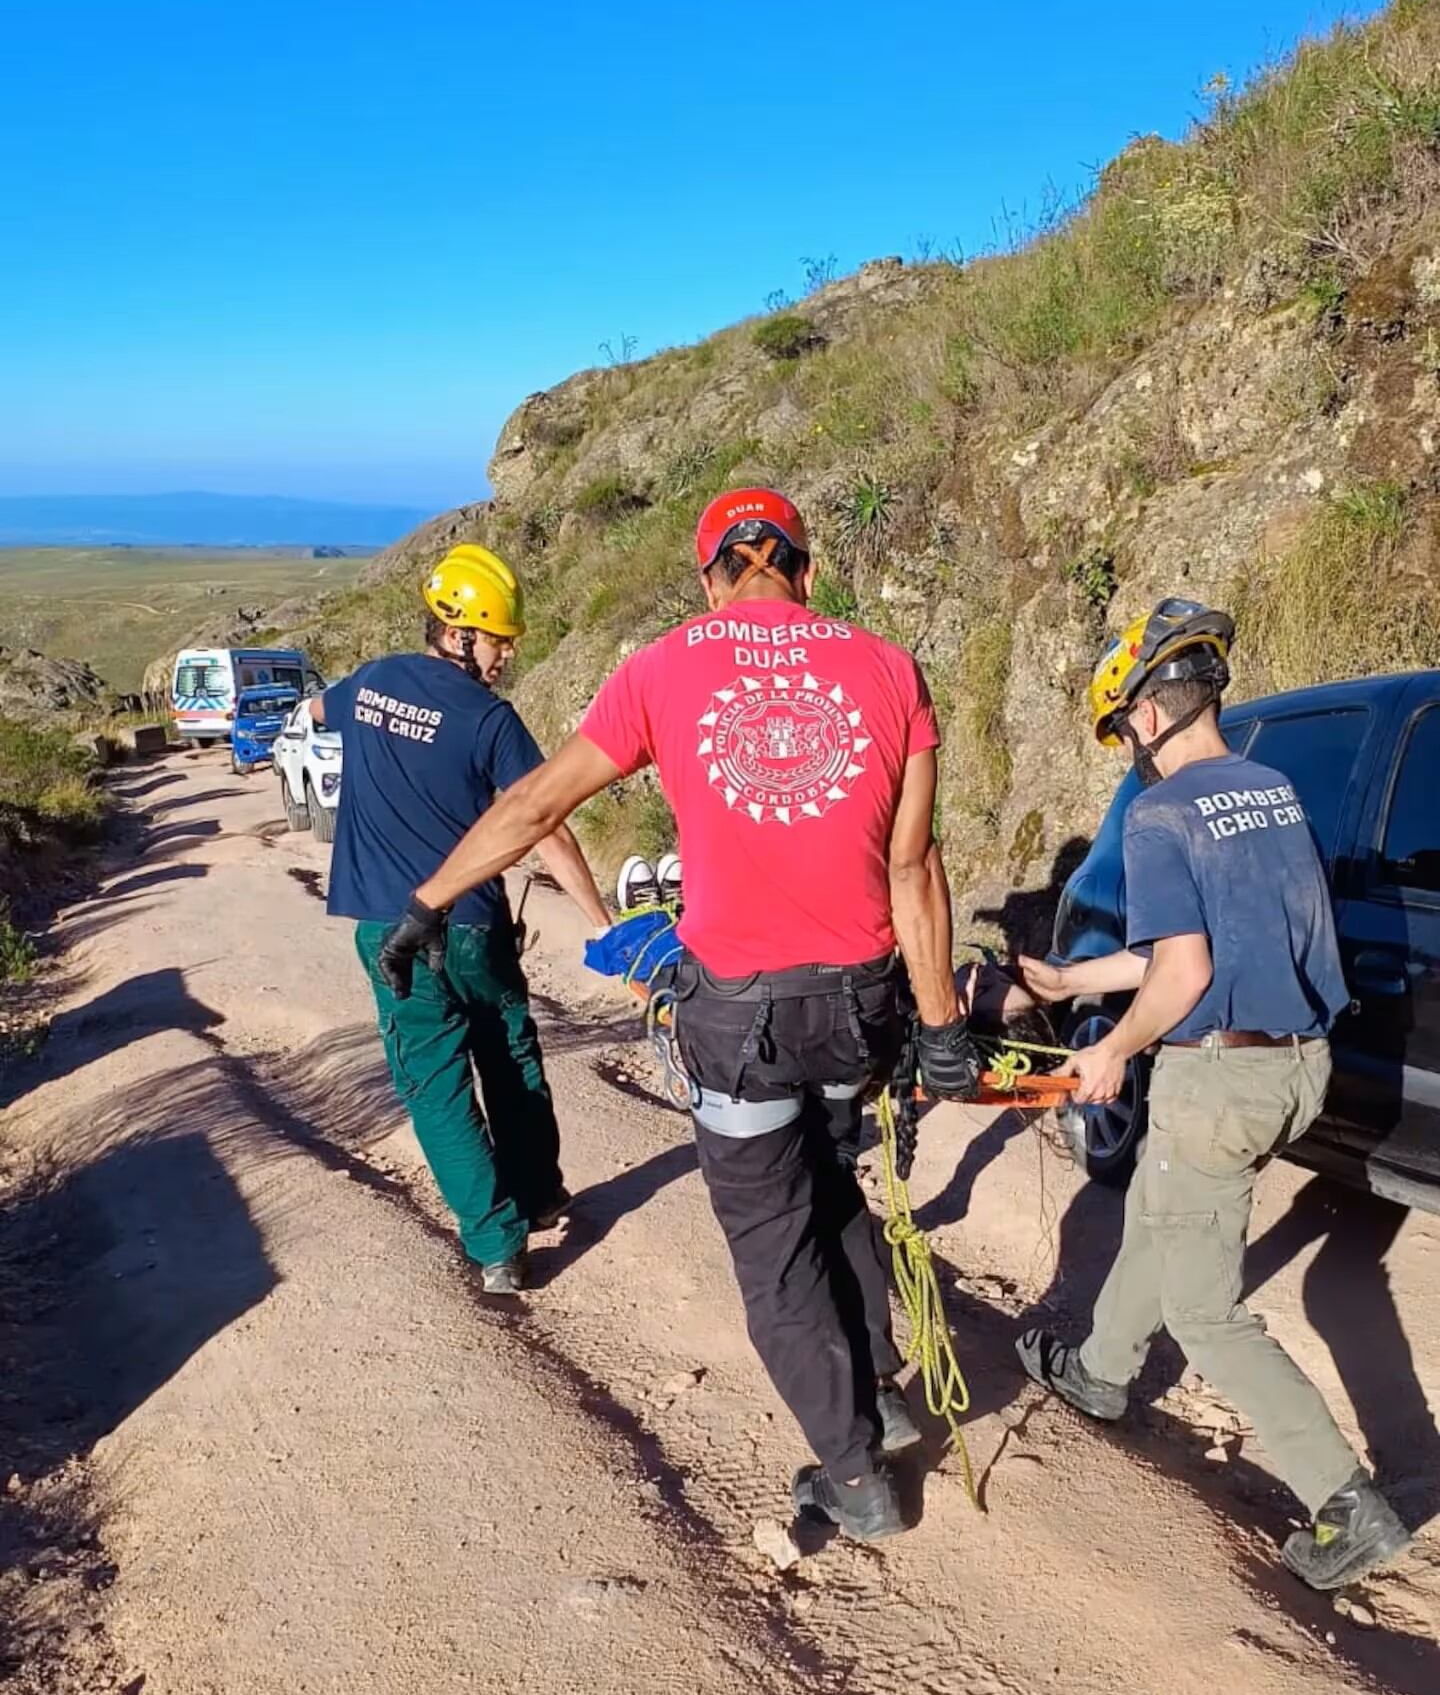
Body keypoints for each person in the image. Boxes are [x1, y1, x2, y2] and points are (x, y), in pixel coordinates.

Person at [376, 489, 979, 1543]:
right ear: (803, 566)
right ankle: (878, 1385)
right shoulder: (888, 668)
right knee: (833, 1178)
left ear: (711, 578)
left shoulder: (665, 666)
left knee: (769, 1238)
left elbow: (534, 807)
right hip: (858, 1008)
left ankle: (855, 1475)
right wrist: (942, 1027)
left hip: (739, 1021)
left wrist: (430, 901)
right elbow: (914, 866)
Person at [1016, 597, 1410, 1592]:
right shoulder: (1274, 789)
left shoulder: (1156, 812)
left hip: (1217, 1072)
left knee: (1203, 1308)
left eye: (1122, 732)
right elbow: (1204, 945)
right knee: (1162, 1197)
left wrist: (1118, 1049)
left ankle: (1345, 1500)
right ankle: (1102, 1369)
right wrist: (1070, 984)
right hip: (1294, 1064)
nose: (1128, 750)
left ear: (1148, 714)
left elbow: (1181, 976)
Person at [315, 542, 610, 1292]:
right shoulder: (489, 719)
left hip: (389, 930)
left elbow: (317, 709)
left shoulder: (372, 682)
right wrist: (600, 924)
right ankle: (539, 1192)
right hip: (476, 923)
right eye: (497, 638)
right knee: (510, 1055)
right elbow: (547, 823)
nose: (506, 654)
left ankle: (496, 1246)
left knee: (436, 1086)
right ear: (456, 633)